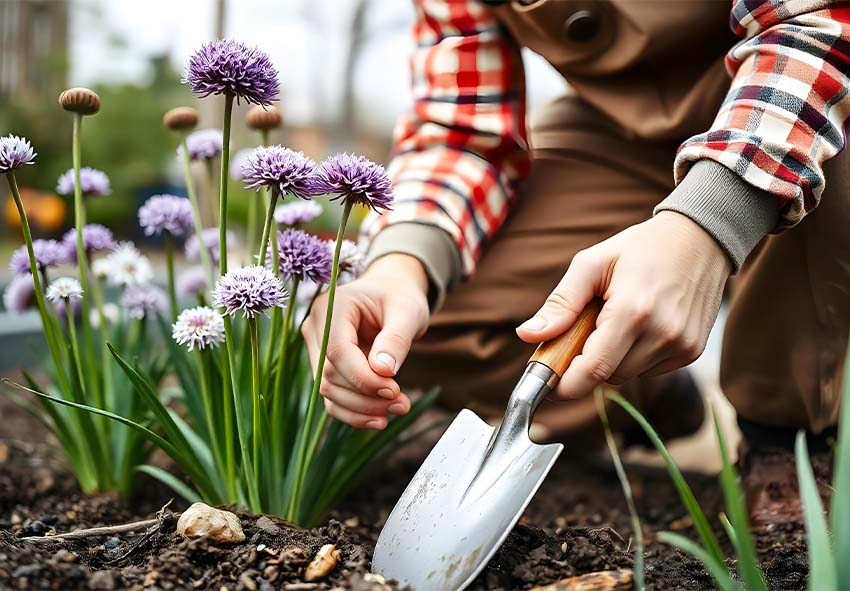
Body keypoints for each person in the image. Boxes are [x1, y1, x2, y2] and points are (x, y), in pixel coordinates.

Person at [302, 0, 850, 524]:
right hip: (625, 132)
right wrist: (400, 265)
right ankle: (644, 385)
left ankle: (788, 444)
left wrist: (707, 224)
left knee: (832, 133)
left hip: (797, 85)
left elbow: (823, 24)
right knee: (423, 326)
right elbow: (459, 129)